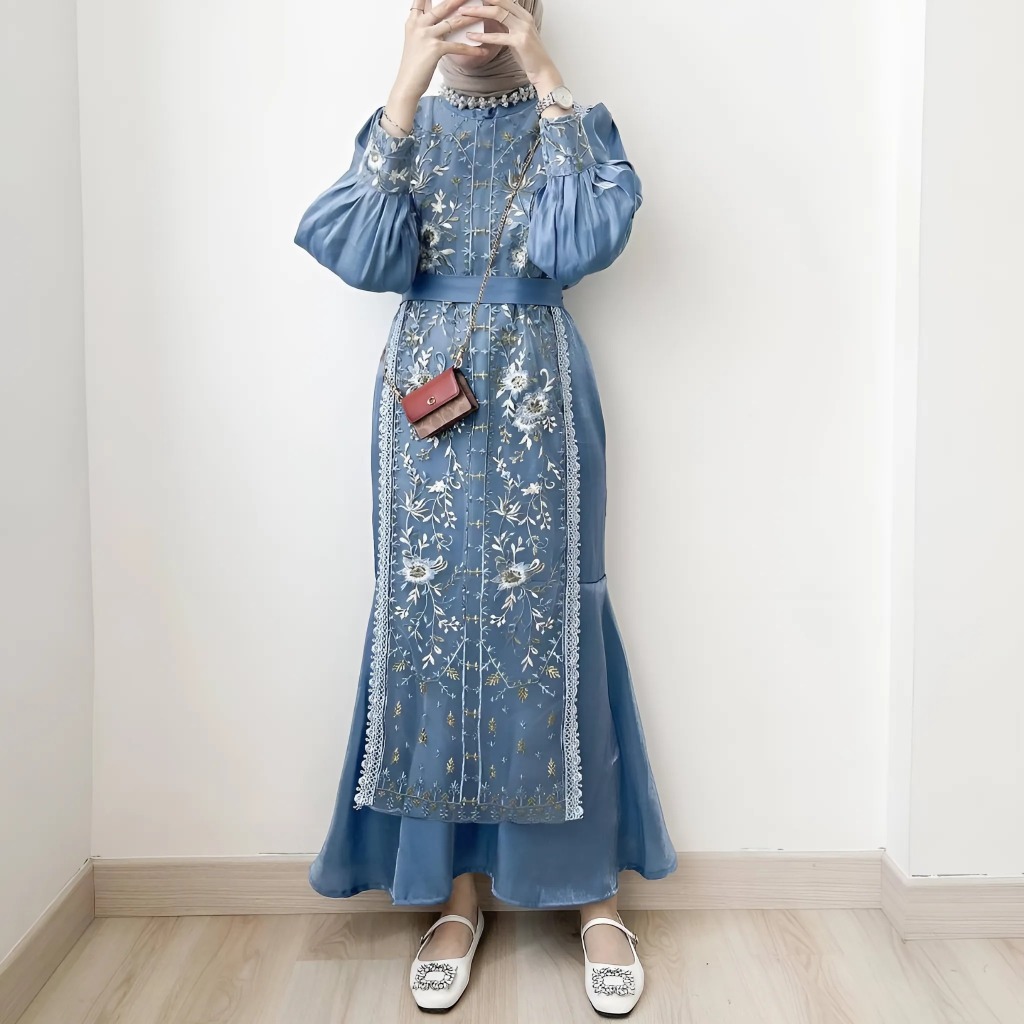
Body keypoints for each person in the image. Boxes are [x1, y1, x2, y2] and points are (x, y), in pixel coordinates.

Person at [294, 0, 677, 1014]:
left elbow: (579, 241)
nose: (474, 17)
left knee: (549, 623)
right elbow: (359, 253)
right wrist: (405, 83)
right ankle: (453, 894)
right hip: (424, 408)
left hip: (539, 393)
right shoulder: (403, 124)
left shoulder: (570, 123)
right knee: (429, 624)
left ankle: (591, 894)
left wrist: (547, 80)